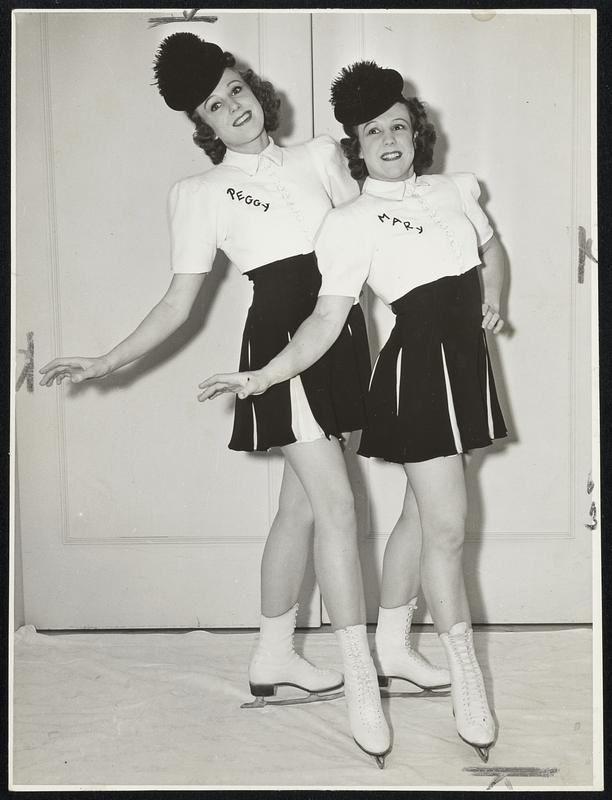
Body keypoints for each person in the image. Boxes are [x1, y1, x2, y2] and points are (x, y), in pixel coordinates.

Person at [39, 36, 393, 767]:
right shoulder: (199, 194)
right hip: (280, 347)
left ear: (253, 87)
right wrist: (107, 359)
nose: (233, 106)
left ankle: (272, 657)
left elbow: (374, 245)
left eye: (236, 89)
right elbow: (178, 302)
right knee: (338, 508)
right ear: (201, 122)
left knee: (299, 507)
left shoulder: (321, 156)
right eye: (214, 104)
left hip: (343, 336)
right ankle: (361, 679)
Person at [198, 60, 509, 763]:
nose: (390, 139)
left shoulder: (455, 190)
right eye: (374, 132)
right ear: (357, 148)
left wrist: (499, 297)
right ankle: (466, 676)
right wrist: (265, 374)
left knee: (422, 517)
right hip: (416, 378)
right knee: (449, 529)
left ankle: (394, 644)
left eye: (399, 125)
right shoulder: (349, 221)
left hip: (468, 370)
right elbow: (322, 320)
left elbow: (493, 254)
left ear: (415, 133)